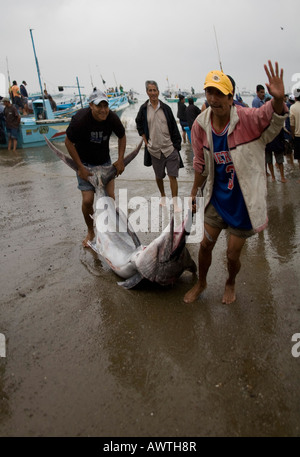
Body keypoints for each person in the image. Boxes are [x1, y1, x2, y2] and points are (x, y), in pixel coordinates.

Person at [183, 60, 288, 305]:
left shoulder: (246, 119)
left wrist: (279, 100)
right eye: (210, 91)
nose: (214, 98)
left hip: (242, 203)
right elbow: (200, 163)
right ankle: (202, 282)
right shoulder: (201, 124)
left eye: (220, 93)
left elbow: (270, 119)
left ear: (231, 98)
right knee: (205, 246)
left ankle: (230, 281)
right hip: (217, 198)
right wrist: (193, 193)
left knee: (232, 255)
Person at [65, 89, 126, 247]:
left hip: (105, 162)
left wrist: (120, 160)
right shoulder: (80, 120)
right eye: (99, 106)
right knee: (87, 200)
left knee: (110, 198)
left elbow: (122, 136)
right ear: (91, 105)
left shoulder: (111, 117)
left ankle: (109, 231)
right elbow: (68, 143)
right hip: (85, 163)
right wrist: (80, 167)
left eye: (106, 106)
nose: (103, 110)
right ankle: (91, 231)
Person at [135, 80, 182, 208]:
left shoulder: (166, 108)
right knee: (159, 176)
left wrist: (176, 146)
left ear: (158, 92)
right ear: (147, 92)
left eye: (154, 90)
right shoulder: (144, 109)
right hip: (154, 150)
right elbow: (139, 125)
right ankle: (162, 196)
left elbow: (174, 127)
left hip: (169, 148)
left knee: (173, 176)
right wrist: (146, 142)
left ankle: (175, 202)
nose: (153, 93)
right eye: (150, 90)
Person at [289, 87, 300, 181]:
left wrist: (292, 134)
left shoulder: (292, 107)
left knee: (299, 158)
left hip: (297, 135)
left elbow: (292, 124)